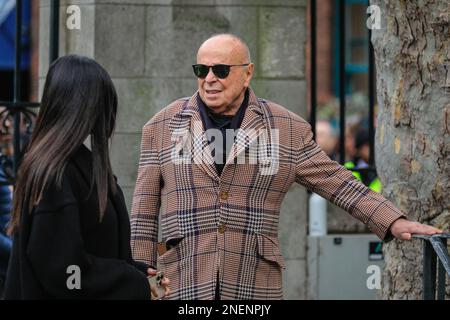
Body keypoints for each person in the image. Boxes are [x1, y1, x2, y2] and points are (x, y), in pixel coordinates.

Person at [130, 34, 442, 300]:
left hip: (254, 282)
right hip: (181, 280)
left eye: (221, 70)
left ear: (247, 73)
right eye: (202, 69)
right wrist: (142, 281)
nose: (209, 79)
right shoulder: (163, 125)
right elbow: (143, 213)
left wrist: (392, 221)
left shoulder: (285, 127)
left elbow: (335, 180)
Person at [4, 55, 169, 299]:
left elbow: (98, 249)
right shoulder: (55, 172)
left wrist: (140, 273)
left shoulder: (79, 165)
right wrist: (132, 280)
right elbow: (64, 271)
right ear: (85, 106)